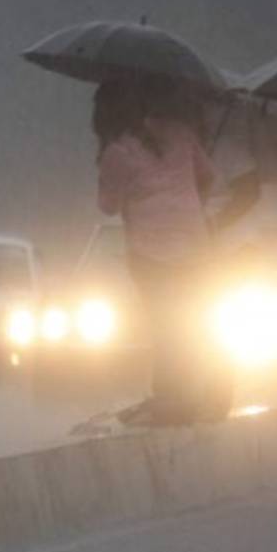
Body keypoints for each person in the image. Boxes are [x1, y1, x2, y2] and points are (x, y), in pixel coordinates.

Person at [94, 77, 220, 425]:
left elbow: (107, 206)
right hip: (195, 246)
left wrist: (105, 176)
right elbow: (208, 175)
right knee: (189, 323)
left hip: (150, 253)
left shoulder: (116, 152)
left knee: (164, 324)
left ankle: (169, 398)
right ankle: (192, 393)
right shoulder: (180, 133)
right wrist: (190, 203)